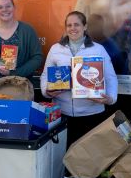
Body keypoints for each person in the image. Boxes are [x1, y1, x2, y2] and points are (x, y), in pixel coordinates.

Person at [40, 11, 118, 147]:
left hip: (92, 113)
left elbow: (110, 77)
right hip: (61, 113)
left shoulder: (98, 49)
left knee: (88, 156)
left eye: (77, 24)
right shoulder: (55, 49)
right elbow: (45, 75)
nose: (73, 28)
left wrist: (110, 99)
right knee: (62, 155)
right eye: (69, 25)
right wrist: (47, 91)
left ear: (85, 27)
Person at [0, 0, 43, 84]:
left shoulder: (27, 30)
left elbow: (37, 58)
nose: (5, 10)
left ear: (14, 8)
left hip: (20, 87)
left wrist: (14, 73)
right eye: (0, 7)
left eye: (8, 6)